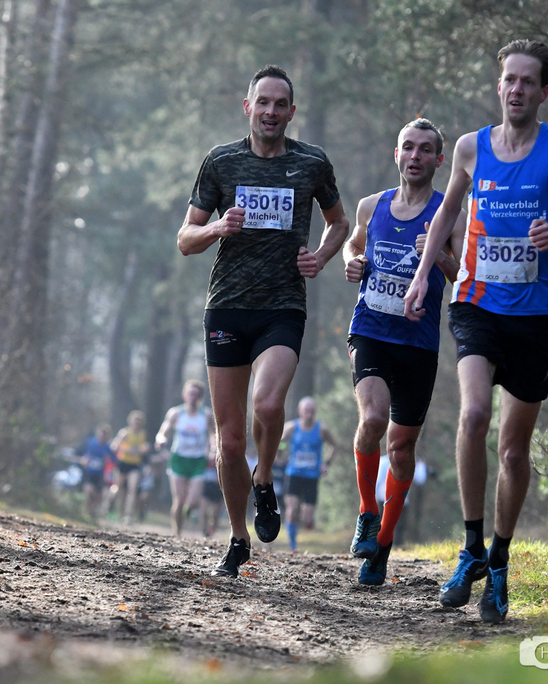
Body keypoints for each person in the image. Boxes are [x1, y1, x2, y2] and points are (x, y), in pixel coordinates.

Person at [402, 40, 548, 623]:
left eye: (528, 81)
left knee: (512, 448)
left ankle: (499, 562)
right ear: (498, 85)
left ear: (544, 90)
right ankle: (470, 548)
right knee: (474, 415)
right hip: (476, 303)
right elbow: (445, 216)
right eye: (509, 79)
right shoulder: (470, 148)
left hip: (535, 316)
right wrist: (423, 277)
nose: (517, 89)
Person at [178, 64, 350, 577]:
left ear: (292, 112)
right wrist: (216, 229)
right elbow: (185, 239)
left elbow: (339, 223)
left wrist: (320, 257)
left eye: (280, 104)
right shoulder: (221, 161)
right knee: (230, 442)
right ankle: (238, 539)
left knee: (269, 403)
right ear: (247, 107)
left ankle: (266, 475)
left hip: (282, 306)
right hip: (227, 307)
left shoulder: (311, 163)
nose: (271, 111)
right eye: (263, 102)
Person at [344, 119, 464, 585]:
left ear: (439, 159)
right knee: (373, 420)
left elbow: (463, 275)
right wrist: (351, 261)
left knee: (401, 446)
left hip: (418, 342)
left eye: (425, 149)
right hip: (371, 329)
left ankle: (384, 543)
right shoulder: (371, 206)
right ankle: (366, 512)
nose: (415, 156)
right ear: (396, 154)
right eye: (408, 147)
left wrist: (438, 255)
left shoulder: (448, 213)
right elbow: (353, 244)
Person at [155, 380, 215, 536]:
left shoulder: (206, 414)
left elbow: (213, 434)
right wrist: (161, 439)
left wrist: (214, 449)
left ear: (200, 397)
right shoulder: (176, 413)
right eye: (190, 393)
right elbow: (163, 431)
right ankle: (177, 533)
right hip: (179, 459)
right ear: (184, 395)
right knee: (179, 500)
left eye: (196, 395)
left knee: (193, 501)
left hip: (198, 460)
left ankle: (189, 513)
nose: (192, 397)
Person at [279, 396, 338, 551]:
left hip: (312, 476)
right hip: (294, 473)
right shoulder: (291, 427)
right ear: (300, 411)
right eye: (306, 411)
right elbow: (281, 442)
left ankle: (310, 519)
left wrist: (326, 463)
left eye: (312, 411)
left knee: (306, 516)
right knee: (292, 510)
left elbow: (334, 446)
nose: (309, 414)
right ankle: (293, 546)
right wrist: (281, 454)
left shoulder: (321, 429)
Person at [109, 410, 150, 525]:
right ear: (130, 421)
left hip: (135, 465)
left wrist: (144, 449)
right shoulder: (125, 433)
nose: (137, 423)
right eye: (135, 421)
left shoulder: (143, 434)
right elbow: (114, 446)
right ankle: (119, 512)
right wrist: (125, 449)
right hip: (123, 463)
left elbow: (144, 448)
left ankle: (128, 516)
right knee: (120, 490)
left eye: (139, 421)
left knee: (133, 489)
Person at [80, 424, 114, 520]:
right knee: (89, 491)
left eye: (105, 434)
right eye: (101, 434)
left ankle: (93, 513)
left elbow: (114, 461)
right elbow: (85, 455)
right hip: (90, 474)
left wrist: (108, 461)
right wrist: (84, 460)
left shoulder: (108, 448)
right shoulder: (91, 443)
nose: (102, 436)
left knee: (103, 494)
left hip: (101, 476)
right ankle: (85, 512)